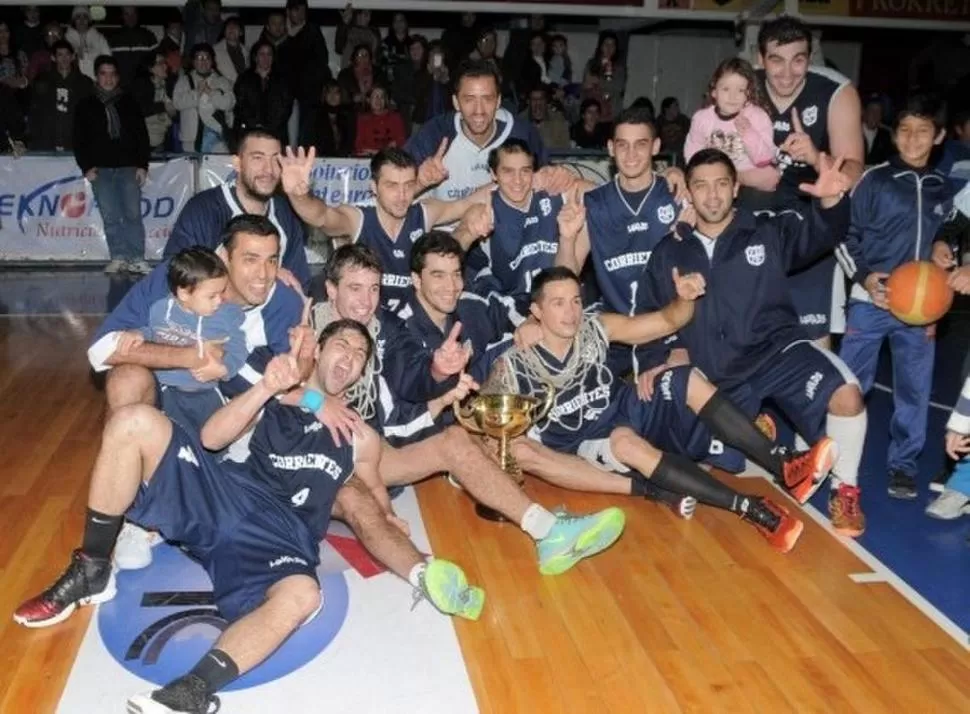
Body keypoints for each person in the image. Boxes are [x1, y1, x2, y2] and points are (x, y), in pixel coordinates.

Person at [13, 320, 486, 713]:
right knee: (131, 421)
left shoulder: (361, 438)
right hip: (226, 497)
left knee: (304, 594)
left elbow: (376, 499)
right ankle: (93, 568)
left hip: (281, 536)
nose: (350, 355)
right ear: (319, 350)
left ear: (363, 371)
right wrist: (269, 388)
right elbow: (212, 438)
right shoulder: (276, 397)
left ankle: (192, 690)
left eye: (360, 353)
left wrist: (399, 534)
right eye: (341, 344)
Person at [305, 243, 630, 572]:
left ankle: (548, 531)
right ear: (331, 289)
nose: (366, 301)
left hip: (369, 451)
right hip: (309, 456)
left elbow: (410, 378)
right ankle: (425, 576)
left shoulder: (385, 325)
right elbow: (280, 382)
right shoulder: (303, 326)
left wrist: (437, 370)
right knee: (358, 500)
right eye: (355, 288)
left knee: (456, 439)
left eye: (374, 288)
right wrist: (316, 401)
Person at [482, 267, 836, 553]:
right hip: (588, 442)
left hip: (625, 407)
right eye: (558, 303)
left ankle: (783, 464)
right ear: (536, 312)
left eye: (575, 300)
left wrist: (684, 299)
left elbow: (667, 321)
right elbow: (485, 424)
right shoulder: (513, 365)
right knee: (626, 445)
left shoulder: (596, 327)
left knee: (685, 378)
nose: (571, 312)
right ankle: (751, 508)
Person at [639, 148, 868, 537]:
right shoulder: (669, 251)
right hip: (716, 375)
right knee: (707, 466)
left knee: (847, 396)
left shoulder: (766, 230)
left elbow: (820, 234)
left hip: (776, 354)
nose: (712, 195)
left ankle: (844, 489)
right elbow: (648, 314)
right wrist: (658, 356)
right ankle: (754, 426)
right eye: (701, 186)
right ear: (688, 193)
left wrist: (832, 201)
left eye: (721, 184)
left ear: (736, 189)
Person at [836, 94, 957, 500]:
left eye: (923, 131)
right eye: (905, 129)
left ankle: (903, 466)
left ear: (938, 136)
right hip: (871, 302)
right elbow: (844, 234)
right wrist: (866, 278)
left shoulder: (944, 189)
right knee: (851, 384)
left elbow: (949, 243)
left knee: (913, 390)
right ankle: (836, 454)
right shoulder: (875, 180)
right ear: (894, 134)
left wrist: (944, 259)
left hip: (920, 311)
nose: (912, 138)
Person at [750, 15, 865, 348]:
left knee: (813, 342)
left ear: (810, 57)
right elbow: (708, 154)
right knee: (741, 336)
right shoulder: (740, 85)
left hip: (810, 225)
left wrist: (817, 159)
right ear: (760, 59)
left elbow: (854, 167)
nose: (787, 73)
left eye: (798, 60)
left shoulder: (836, 91)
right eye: (777, 60)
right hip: (749, 222)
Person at [554, 106, 686, 382]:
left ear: (656, 147)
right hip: (616, 331)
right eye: (623, 145)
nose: (631, 154)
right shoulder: (594, 203)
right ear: (611, 148)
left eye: (641, 144)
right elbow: (564, 277)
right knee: (570, 384)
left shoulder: (676, 197)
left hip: (670, 328)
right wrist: (567, 237)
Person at [279, 146, 490, 314]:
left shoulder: (424, 212)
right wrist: (299, 195)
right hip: (366, 317)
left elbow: (467, 203)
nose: (402, 195)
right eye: (391, 185)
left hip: (412, 321)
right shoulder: (358, 218)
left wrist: (504, 181)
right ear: (374, 187)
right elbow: (321, 216)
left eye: (409, 185)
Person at [119, 246, 248, 434]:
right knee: (170, 436)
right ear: (184, 294)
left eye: (222, 292)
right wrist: (138, 334)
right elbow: (154, 332)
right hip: (165, 390)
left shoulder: (227, 316)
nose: (219, 301)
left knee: (210, 438)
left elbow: (239, 348)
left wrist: (223, 369)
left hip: (205, 393)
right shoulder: (161, 309)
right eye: (212, 296)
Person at [164, 126, 310, 292]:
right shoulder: (204, 209)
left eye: (276, 160)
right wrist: (267, 274)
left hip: (268, 306)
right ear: (237, 164)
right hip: (214, 305)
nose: (269, 169)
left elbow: (299, 283)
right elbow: (174, 272)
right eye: (258, 158)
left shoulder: (285, 212)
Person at [73, 54, 151, 275]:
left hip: (128, 168)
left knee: (133, 214)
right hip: (101, 170)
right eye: (103, 74)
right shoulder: (85, 105)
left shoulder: (129, 102)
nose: (108, 78)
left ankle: (137, 258)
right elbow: (79, 139)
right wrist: (86, 167)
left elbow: (141, 135)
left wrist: (142, 165)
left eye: (112, 74)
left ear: (118, 77)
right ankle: (118, 257)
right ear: (96, 77)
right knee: (110, 216)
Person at [684, 57, 778, 191]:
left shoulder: (757, 116)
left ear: (749, 93)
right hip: (714, 177)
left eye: (740, 90)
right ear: (714, 91)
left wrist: (749, 133)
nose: (733, 96)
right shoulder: (701, 118)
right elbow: (693, 152)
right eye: (726, 89)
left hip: (748, 179)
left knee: (770, 176)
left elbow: (764, 159)